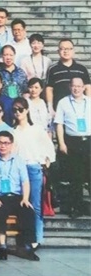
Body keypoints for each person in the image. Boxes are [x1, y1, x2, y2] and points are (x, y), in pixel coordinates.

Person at [0, 131, 39, 261]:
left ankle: (27, 247)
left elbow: (25, 181)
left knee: (28, 212)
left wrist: (25, 198)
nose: (3, 146)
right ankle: (2, 246)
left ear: (11, 145)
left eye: (6, 143)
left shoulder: (18, 160)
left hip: (16, 196)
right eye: (0, 143)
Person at [12, 97, 55, 247]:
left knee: (36, 203)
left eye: (21, 109)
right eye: (15, 110)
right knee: (23, 203)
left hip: (34, 167)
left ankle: (37, 237)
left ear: (27, 110)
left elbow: (49, 147)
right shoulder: (13, 131)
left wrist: (45, 163)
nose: (18, 112)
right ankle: (26, 236)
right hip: (19, 169)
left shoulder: (36, 129)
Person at [54, 77, 91, 218]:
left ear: (84, 87)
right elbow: (59, 124)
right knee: (76, 176)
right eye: (74, 86)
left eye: (79, 86)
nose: (76, 89)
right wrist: (61, 143)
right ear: (70, 87)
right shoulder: (63, 102)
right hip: (72, 142)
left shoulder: (90, 102)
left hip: (88, 140)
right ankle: (76, 207)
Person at [45, 39, 91, 116]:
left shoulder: (82, 68)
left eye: (69, 49)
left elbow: (88, 88)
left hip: (79, 109)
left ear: (73, 51)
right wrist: (50, 108)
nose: (66, 51)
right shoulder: (52, 69)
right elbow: (49, 89)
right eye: (63, 49)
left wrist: (88, 106)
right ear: (58, 51)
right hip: (59, 109)